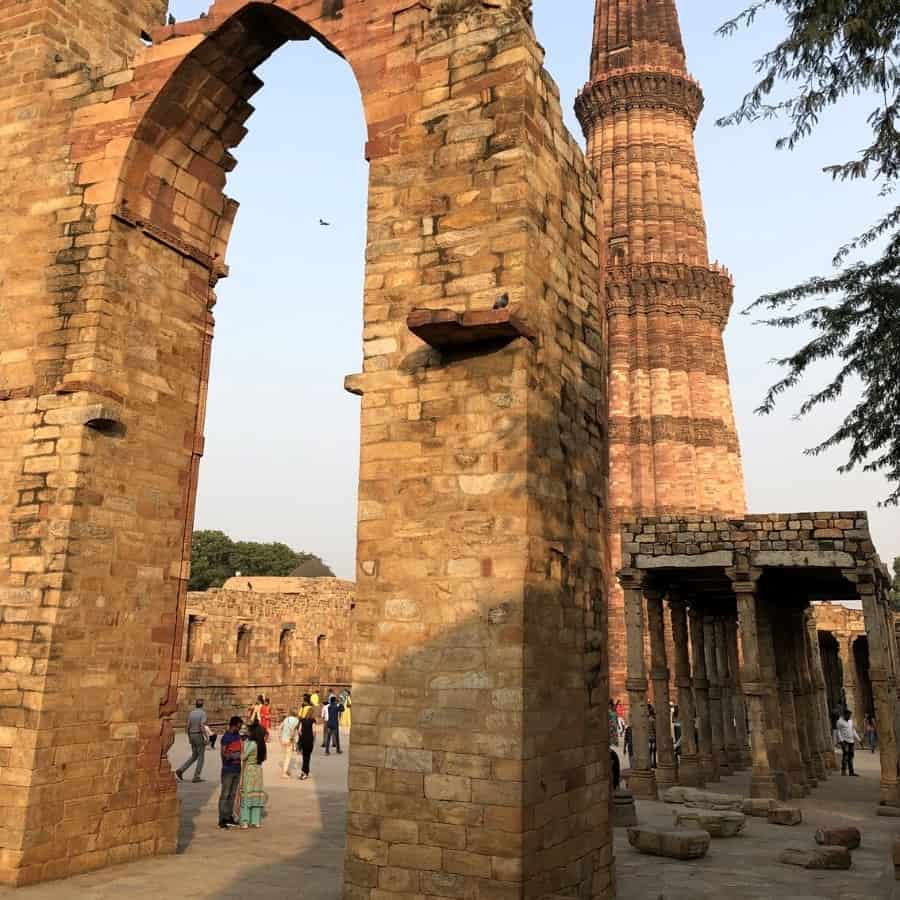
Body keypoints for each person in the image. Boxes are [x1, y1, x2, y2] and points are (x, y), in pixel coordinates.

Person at [238, 722, 268, 828]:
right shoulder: (262, 745)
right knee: (256, 795)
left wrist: (242, 747)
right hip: (258, 770)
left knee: (247, 794)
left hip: (250, 770)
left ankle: (245, 820)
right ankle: (256, 821)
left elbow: (243, 757)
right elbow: (264, 758)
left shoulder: (252, 744)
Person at [218, 716, 243, 828]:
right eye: (239, 726)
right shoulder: (226, 737)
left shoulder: (237, 736)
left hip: (237, 768)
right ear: (234, 725)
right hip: (228, 769)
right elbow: (223, 753)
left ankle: (229, 816)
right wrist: (231, 756)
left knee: (232, 795)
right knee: (225, 794)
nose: (240, 727)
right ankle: (222, 818)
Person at [176, 699, 208, 782]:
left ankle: (181, 770)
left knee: (194, 755)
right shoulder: (202, 713)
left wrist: (189, 737)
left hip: (192, 735)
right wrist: (206, 736)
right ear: (202, 705)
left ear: (196, 704)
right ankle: (196, 776)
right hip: (198, 735)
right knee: (201, 756)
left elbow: (187, 726)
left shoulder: (191, 713)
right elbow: (201, 725)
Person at [835, 709, 861, 776]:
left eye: (850, 715)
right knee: (845, 756)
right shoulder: (839, 722)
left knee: (851, 756)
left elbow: (853, 731)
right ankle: (843, 770)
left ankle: (851, 772)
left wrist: (859, 739)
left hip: (851, 741)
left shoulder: (850, 721)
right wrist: (841, 741)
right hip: (844, 741)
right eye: (848, 715)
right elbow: (838, 732)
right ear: (845, 715)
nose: (849, 716)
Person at [297, 694, 317, 781]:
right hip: (309, 740)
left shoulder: (302, 720)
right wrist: (314, 740)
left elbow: (299, 731)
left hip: (303, 739)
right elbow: (314, 732)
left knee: (304, 756)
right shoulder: (313, 721)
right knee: (307, 757)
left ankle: (304, 772)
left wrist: (300, 738)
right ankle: (305, 772)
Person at [280, 707, 300, 778]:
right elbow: (296, 731)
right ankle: (284, 772)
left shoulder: (286, 719)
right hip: (289, 739)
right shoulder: (297, 720)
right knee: (288, 756)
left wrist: (280, 736)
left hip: (283, 739)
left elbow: (280, 728)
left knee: (285, 755)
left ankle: (286, 770)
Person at [647, 704, 657, 769]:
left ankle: (650, 763)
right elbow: (655, 729)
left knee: (650, 751)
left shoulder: (646, 720)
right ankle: (654, 763)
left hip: (648, 738)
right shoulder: (653, 720)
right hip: (653, 737)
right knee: (654, 751)